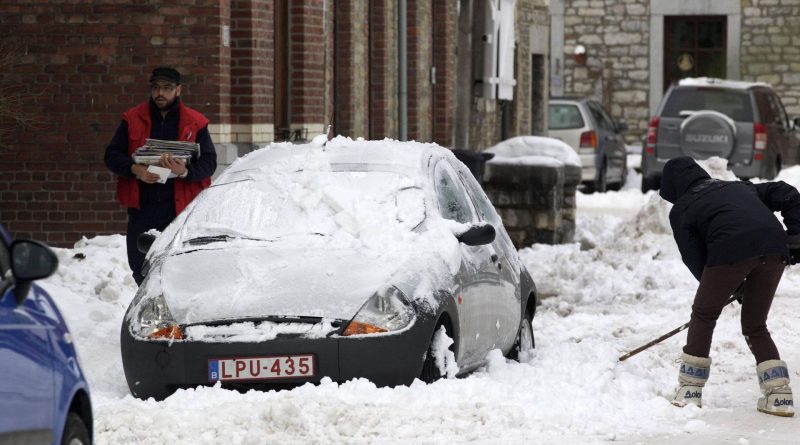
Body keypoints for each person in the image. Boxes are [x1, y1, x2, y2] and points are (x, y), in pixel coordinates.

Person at [659, 156, 800, 417]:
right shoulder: (739, 187)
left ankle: (689, 391)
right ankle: (779, 395)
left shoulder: (682, 209)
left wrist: (727, 286)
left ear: (672, 187)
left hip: (731, 250)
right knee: (755, 325)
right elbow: (787, 193)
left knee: (704, 314)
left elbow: (695, 259)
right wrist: (796, 236)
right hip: (775, 249)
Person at [105, 66, 217, 285]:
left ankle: (173, 306)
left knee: (177, 268)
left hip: (179, 209)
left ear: (178, 90)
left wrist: (184, 171)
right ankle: (150, 304)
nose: (160, 93)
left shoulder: (195, 122)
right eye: (156, 87)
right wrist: (135, 169)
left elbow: (209, 162)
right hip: (142, 206)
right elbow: (112, 155)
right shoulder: (132, 118)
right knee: (140, 267)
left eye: (167, 88)